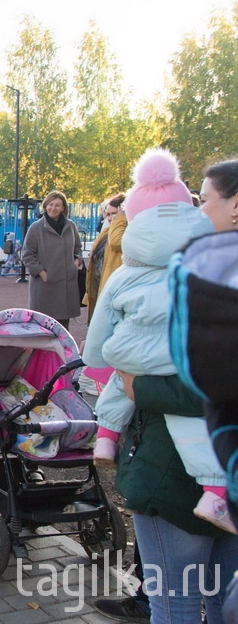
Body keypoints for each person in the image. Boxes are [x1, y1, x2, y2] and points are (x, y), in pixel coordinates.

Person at [84, 149, 230, 530]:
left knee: (178, 584)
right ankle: (215, 495)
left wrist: (136, 385)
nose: (200, 208)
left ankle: (106, 436)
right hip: (163, 460)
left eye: (207, 198)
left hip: (171, 475)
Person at [115, 371, 238, 623]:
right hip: (219, 471)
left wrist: (142, 387)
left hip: (175, 479)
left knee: (176, 606)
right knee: (225, 600)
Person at [20, 190, 83, 329]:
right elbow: (27, 254)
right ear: (45, 205)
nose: (53, 208)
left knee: (63, 328)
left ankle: (62, 351)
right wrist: (42, 273)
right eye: (50, 204)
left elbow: (78, 248)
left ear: (63, 208)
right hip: (45, 286)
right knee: (43, 326)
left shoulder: (70, 226)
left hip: (67, 284)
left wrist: (76, 262)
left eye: (57, 205)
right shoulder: (36, 228)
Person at [83, 193, 125, 323]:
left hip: (115, 292)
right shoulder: (110, 230)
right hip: (101, 288)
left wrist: (121, 219)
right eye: (107, 214)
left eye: (113, 214)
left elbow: (116, 243)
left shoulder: (125, 229)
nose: (110, 218)